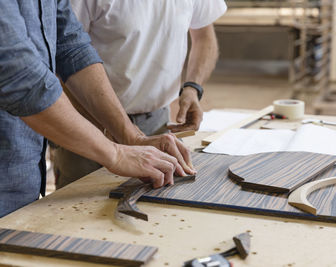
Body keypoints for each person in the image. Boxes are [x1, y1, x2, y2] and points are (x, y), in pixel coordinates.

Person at [0, 0, 194, 218]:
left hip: (22, 177)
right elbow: (19, 78)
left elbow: (71, 46)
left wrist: (132, 137)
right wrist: (115, 154)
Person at [53, 0, 227, 188]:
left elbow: (204, 36)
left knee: (159, 208)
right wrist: (111, 133)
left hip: (158, 124)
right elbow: (65, 58)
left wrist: (193, 88)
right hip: (92, 126)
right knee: (80, 208)